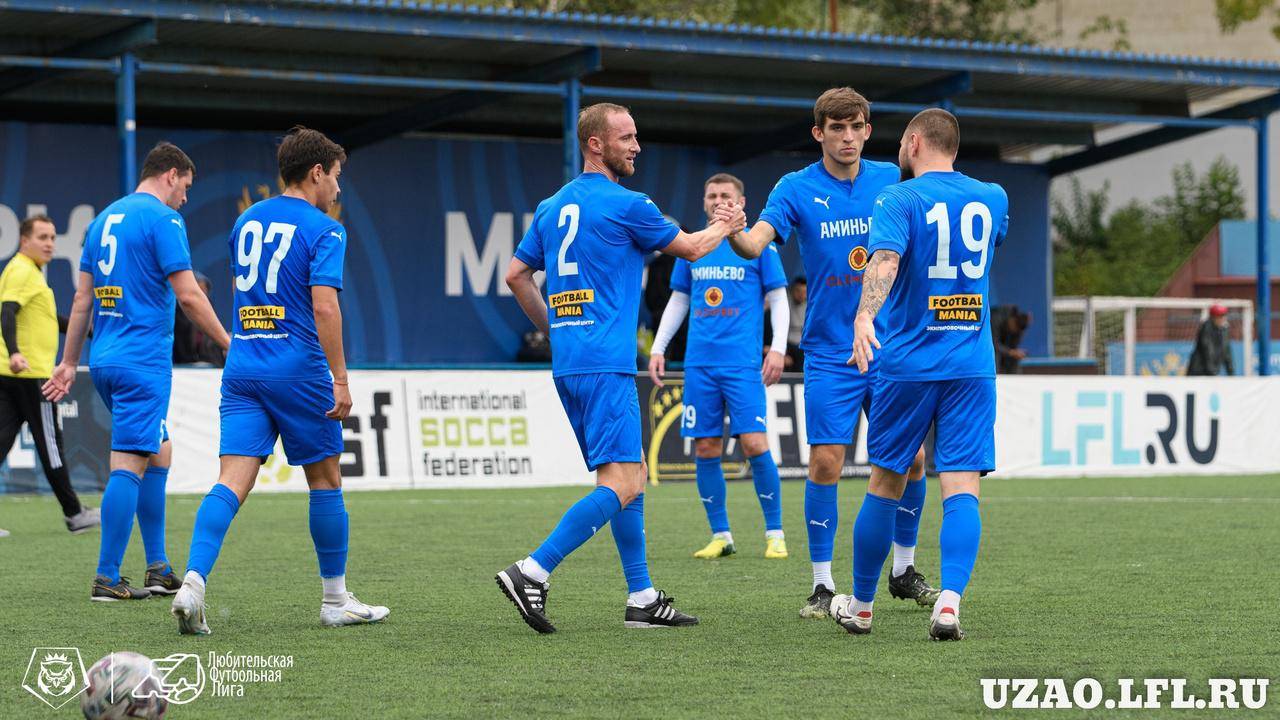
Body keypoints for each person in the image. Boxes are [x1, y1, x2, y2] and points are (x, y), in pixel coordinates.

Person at [498, 102, 744, 634]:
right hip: (607, 363)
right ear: (595, 144)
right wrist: (724, 225)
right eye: (626, 138)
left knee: (629, 478)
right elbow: (692, 249)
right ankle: (532, 570)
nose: (636, 146)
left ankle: (642, 597)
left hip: (571, 364)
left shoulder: (551, 206)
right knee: (623, 482)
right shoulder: (628, 204)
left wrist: (557, 330)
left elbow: (516, 275)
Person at [724, 87, 934, 618]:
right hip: (828, 352)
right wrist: (734, 231)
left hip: (889, 345)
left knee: (912, 459)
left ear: (868, 130)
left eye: (856, 127)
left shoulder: (894, 178)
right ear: (819, 133)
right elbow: (754, 244)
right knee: (824, 463)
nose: (847, 137)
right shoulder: (795, 188)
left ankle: (903, 570)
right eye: (837, 128)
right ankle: (822, 585)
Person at [170, 127, 388, 634]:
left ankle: (193, 583)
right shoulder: (326, 230)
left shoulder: (245, 220)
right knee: (325, 480)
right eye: (336, 176)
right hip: (298, 370)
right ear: (316, 172)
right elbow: (324, 307)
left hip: (243, 367)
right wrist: (340, 378)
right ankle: (335, 601)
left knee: (230, 481)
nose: (338, 187)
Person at [835, 108, 1009, 641]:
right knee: (962, 486)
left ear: (913, 143)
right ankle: (949, 604)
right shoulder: (993, 197)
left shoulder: (898, 198)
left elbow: (885, 261)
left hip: (909, 363)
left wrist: (864, 316)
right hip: (972, 365)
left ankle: (861, 607)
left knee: (885, 482)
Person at [44, 142, 231, 602]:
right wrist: (229, 344)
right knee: (128, 463)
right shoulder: (164, 220)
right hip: (141, 363)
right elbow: (188, 295)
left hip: (105, 360)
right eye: (186, 186)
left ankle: (158, 568)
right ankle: (107, 577)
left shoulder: (102, 220)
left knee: (159, 452)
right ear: (170, 175)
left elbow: (82, 300)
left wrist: (69, 362)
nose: (185, 197)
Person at [648, 172, 790, 561]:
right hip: (700, 364)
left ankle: (775, 533)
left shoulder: (761, 246)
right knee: (706, 446)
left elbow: (779, 299)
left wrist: (778, 348)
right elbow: (679, 300)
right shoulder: (693, 245)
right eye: (711, 195)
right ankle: (721, 535)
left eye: (726, 195)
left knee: (754, 443)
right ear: (704, 202)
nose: (717, 200)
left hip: (742, 364)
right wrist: (659, 348)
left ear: (741, 203)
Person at [0, 215, 99, 534]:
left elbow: (48, 318)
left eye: (53, 238)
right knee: (51, 445)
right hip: (31, 375)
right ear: (24, 240)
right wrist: (15, 352)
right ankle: (75, 513)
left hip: (11, 374)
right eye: (42, 237)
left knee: (2, 442)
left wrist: (87, 330)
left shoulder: (27, 271)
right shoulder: (22, 270)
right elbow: (7, 312)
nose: (50, 244)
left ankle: (74, 511)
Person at [173, 272, 225, 366]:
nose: (200, 295)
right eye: (197, 290)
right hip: (181, 366)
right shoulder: (176, 315)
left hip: (210, 367)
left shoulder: (210, 311)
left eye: (204, 291)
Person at [1187, 304, 1234, 376]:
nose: (1222, 319)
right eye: (1220, 316)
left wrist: (1231, 373)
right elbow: (1208, 351)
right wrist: (1212, 372)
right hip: (1198, 371)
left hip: (1211, 372)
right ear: (1213, 317)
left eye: (1223, 316)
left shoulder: (1224, 330)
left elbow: (1226, 352)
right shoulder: (1206, 328)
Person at [991, 304, 1031, 374]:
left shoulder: (1018, 330)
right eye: (1015, 327)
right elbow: (993, 344)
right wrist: (1011, 352)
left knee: (1014, 358)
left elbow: (1013, 347)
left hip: (1002, 348)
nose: (1014, 330)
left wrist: (1015, 352)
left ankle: (1013, 379)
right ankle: (995, 376)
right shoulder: (996, 318)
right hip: (988, 347)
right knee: (995, 354)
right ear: (1012, 319)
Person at [785, 276, 806, 369]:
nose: (801, 295)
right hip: (787, 344)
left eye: (804, 292)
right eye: (798, 291)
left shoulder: (810, 306)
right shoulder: (785, 302)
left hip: (802, 346)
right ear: (792, 290)